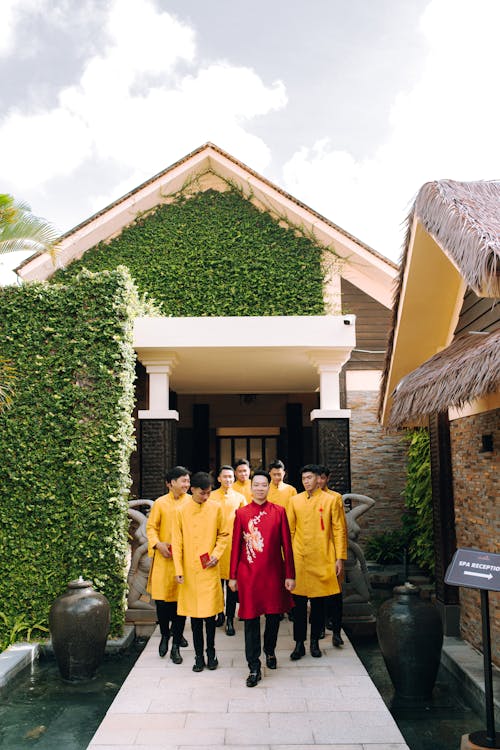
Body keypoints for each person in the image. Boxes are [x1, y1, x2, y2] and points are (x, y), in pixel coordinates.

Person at [229, 470, 295, 687]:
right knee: (250, 621)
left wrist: (290, 575)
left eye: (263, 485)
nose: (259, 488)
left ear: (269, 487)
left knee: (274, 617)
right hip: (249, 576)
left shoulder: (279, 512)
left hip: (274, 574)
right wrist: (232, 576)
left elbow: (287, 546)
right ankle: (253, 665)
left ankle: (270, 650)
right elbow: (235, 548)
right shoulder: (242, 514)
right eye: (256, 484)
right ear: (251, 487)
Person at [288, 464, 347, 660]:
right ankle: (299, 644)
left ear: (318, 479)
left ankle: (314, 642)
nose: (306, 482)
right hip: (300, 558)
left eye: (310, 478)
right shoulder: (294, 501)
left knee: (319, 604)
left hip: (323, 557)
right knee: (298, 605)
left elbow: (339, 530)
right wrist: (287, 559)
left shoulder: (331, 500)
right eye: (303, 478)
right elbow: (290, 531)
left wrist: (339, 558)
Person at [173, 471, 229, 672]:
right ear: (192, 490)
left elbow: (224, 534)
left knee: (210, 617)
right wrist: (178, 569)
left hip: (209, 569)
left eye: (208, 493)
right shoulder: (180, 510)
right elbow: (177, 543)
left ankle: (211, 653)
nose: (206, 497)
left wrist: (217, 553)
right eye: (202, 493)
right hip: (189, 570)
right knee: (195, 618)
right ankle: (198, 656)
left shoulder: (216, 508)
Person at [146, 466, 191, 664]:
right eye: (183, 481)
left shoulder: (191, 502)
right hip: (164, 560)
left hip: (183, 561)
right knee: (163, 603)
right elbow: (151, 527)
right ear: (170, 483)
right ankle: (165, 634)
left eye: (188, 481)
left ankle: (175, 644)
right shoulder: (160, 504)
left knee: (181, 602)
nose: (186, 485)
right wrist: (157, 544)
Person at [209, 465, 246, 635]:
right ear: (218, 479)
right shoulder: (211, 497)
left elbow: (245, 522)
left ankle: (230, 618)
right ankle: (219, 613)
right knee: (216, 585)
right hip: (215, 546)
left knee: (232, 586)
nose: (228, 480)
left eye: (231, 477)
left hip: (233, 546)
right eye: (225, 477)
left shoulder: (239, 498)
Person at [317, 465, 348, 647]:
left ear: (327, 479)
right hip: (316, 554)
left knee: (335, 595)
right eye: (316, 478)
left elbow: (340, 529)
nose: (319, 481)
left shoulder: (335, 498)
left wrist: (340, 556)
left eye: (322, 478)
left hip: (332, 553)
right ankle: (320, 627)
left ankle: (336, 631)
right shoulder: (308, 498)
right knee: (317, 596)